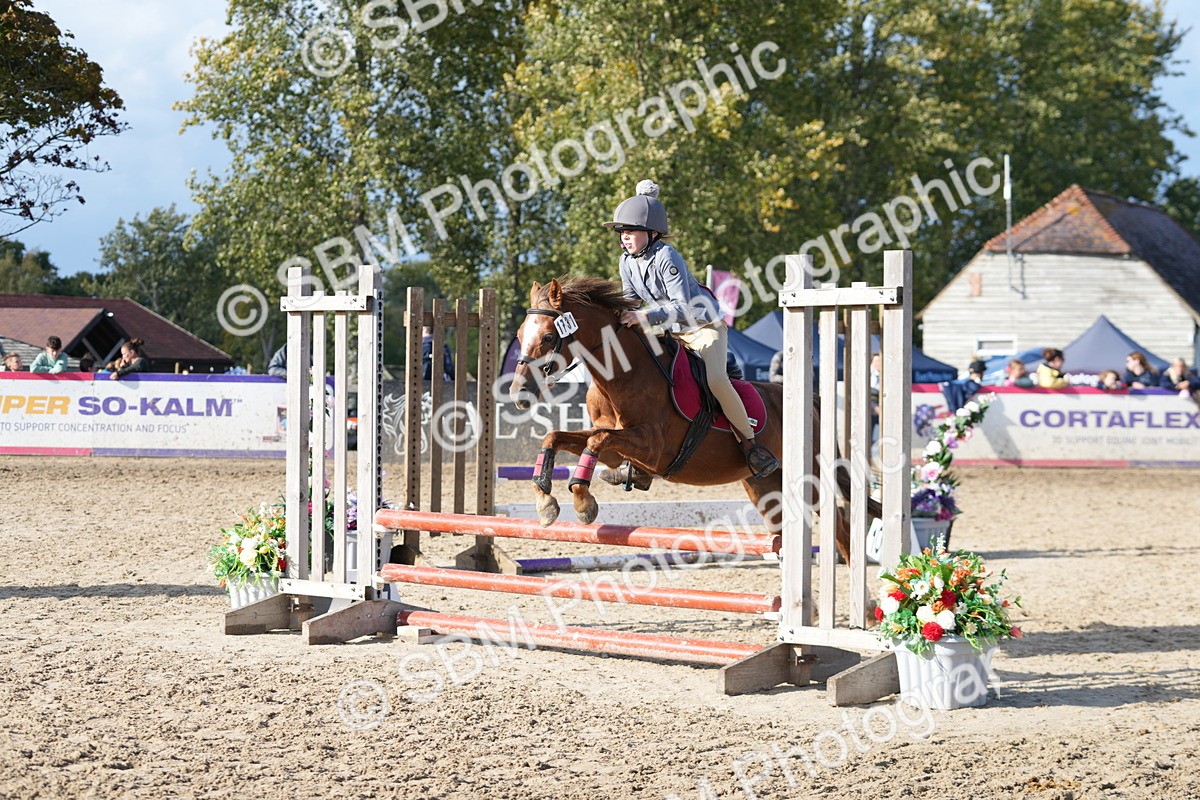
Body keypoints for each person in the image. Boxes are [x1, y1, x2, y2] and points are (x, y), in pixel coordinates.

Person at [605, 179, 779, 478]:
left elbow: (682, 307)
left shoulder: (666, 256)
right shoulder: (626, 261)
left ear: (652, 232)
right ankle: (642, 460)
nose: (624, 238)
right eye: (622, 233)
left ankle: (752, 446)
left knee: (716, 381)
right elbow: (632, 298)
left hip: (702, 325)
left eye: (630, 232)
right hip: (669, 328)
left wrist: (642, 318)